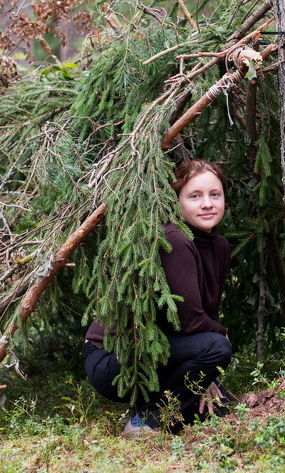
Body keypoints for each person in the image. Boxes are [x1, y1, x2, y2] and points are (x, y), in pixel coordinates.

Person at [82, 159, 233, 436]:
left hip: (163, 354)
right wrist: (218, 343)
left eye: (215, 194)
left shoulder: (219, 246)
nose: (207, 204)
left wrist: (208, 374)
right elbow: (189, 322)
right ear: (177, 202)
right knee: (217, 347)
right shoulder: (173, 239)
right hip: (114, 358)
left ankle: (153, 413)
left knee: (221, 408)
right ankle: (147, 422)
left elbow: (209, 313)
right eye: (195, 196)